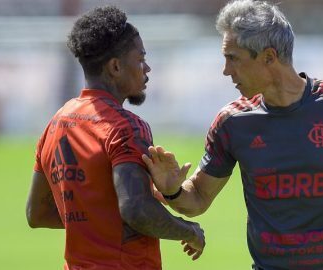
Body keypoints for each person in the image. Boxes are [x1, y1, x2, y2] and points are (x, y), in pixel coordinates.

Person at [141, 0, 323, 269]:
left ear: (268, 57)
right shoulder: (232, 122)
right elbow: (198, 197)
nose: (225, 70)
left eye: (233, 58)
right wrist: (172, 191)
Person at [25, 6, 204, 270]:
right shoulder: (126, 127)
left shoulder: (56, 122)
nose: (147, 67)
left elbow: (36, 214)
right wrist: (189, 231)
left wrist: (99, 213)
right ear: (116, 66)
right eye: (140, 58)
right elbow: (135, 210)